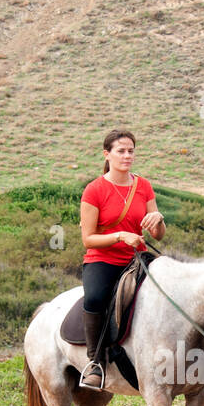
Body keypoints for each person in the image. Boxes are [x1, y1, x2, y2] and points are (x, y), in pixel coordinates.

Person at [77, 128, 166, 390]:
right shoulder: (94, 190)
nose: (127, 156)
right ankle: (95, 363)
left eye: (131, 151)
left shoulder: (144, 186)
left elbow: (158, 236)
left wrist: (158, 220)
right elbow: (88, 239)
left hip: (136, 259)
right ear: (107, 154)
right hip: (102, 260)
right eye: (121, 151)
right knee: (95, 298)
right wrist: (118, 237)